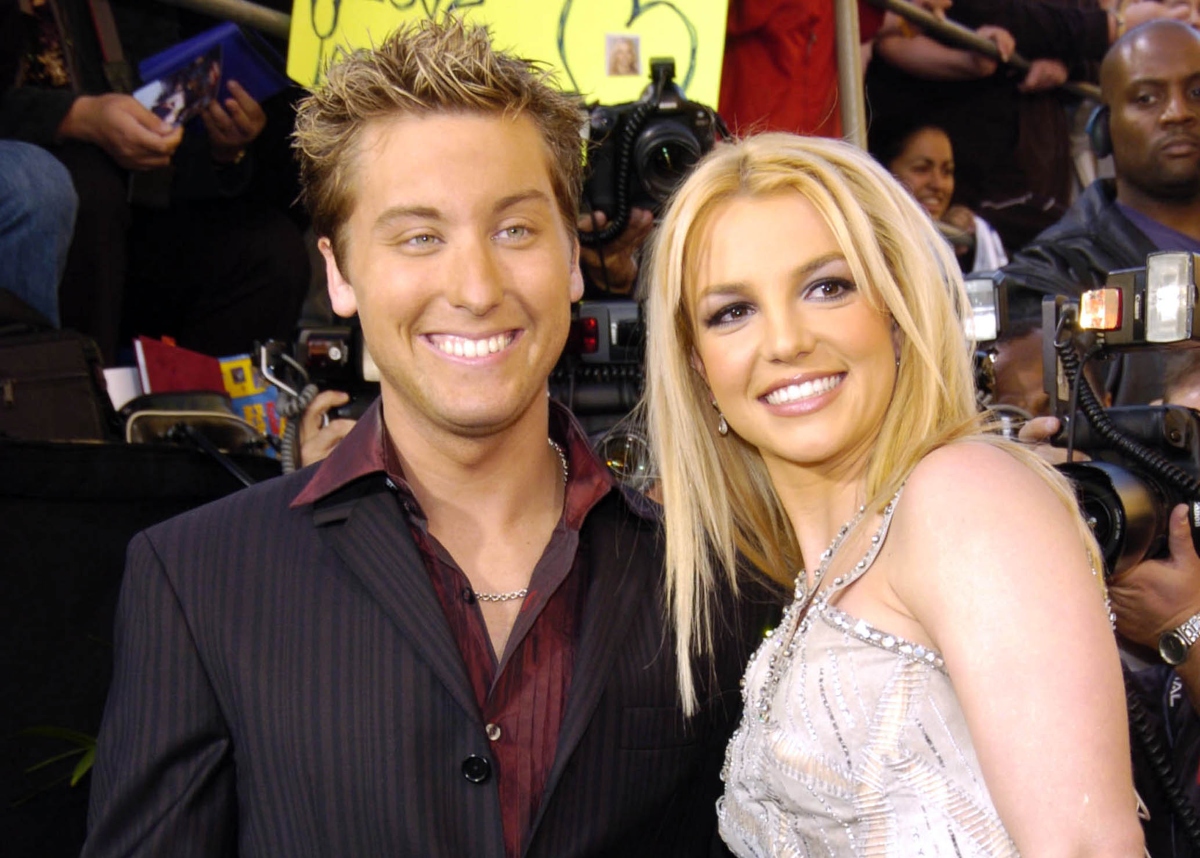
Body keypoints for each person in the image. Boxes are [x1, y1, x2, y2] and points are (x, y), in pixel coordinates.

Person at [82, 18, 775, 858]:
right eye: (419, 237)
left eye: (515, 230)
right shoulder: (195, 580)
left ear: (570, 258)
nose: (475, 286)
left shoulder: (716, 581)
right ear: (339, 273)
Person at [643, 132, 1142, 856]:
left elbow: (1087, 847)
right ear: (698, 365)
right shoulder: (818, 575)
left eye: (827, 287)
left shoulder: (962, 498)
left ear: (897, 307)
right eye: (732, 312)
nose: (784, 341)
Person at [1002, 19, 1200, 404]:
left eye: (1197, 91)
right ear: (1102, 129)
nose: (1178, 113)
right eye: (1146, 98)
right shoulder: (1053, 277)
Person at [869, 117, 1008, 272]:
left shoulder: (962, 239)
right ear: (883, 172)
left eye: (947, 171)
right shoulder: (864, 243)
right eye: (921, 169)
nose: (938, 184)